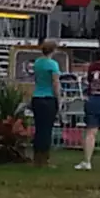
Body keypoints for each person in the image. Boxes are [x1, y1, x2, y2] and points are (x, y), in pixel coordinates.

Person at [30, 40, 61, 168]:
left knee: (38, 128)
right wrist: (58, 98)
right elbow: (55, 83)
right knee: (47, 129)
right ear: (53, 50)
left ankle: (36, 157)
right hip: (48, 98)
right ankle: (45, 158)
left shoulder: (37, 63)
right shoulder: (53, 64)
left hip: (37, 96)